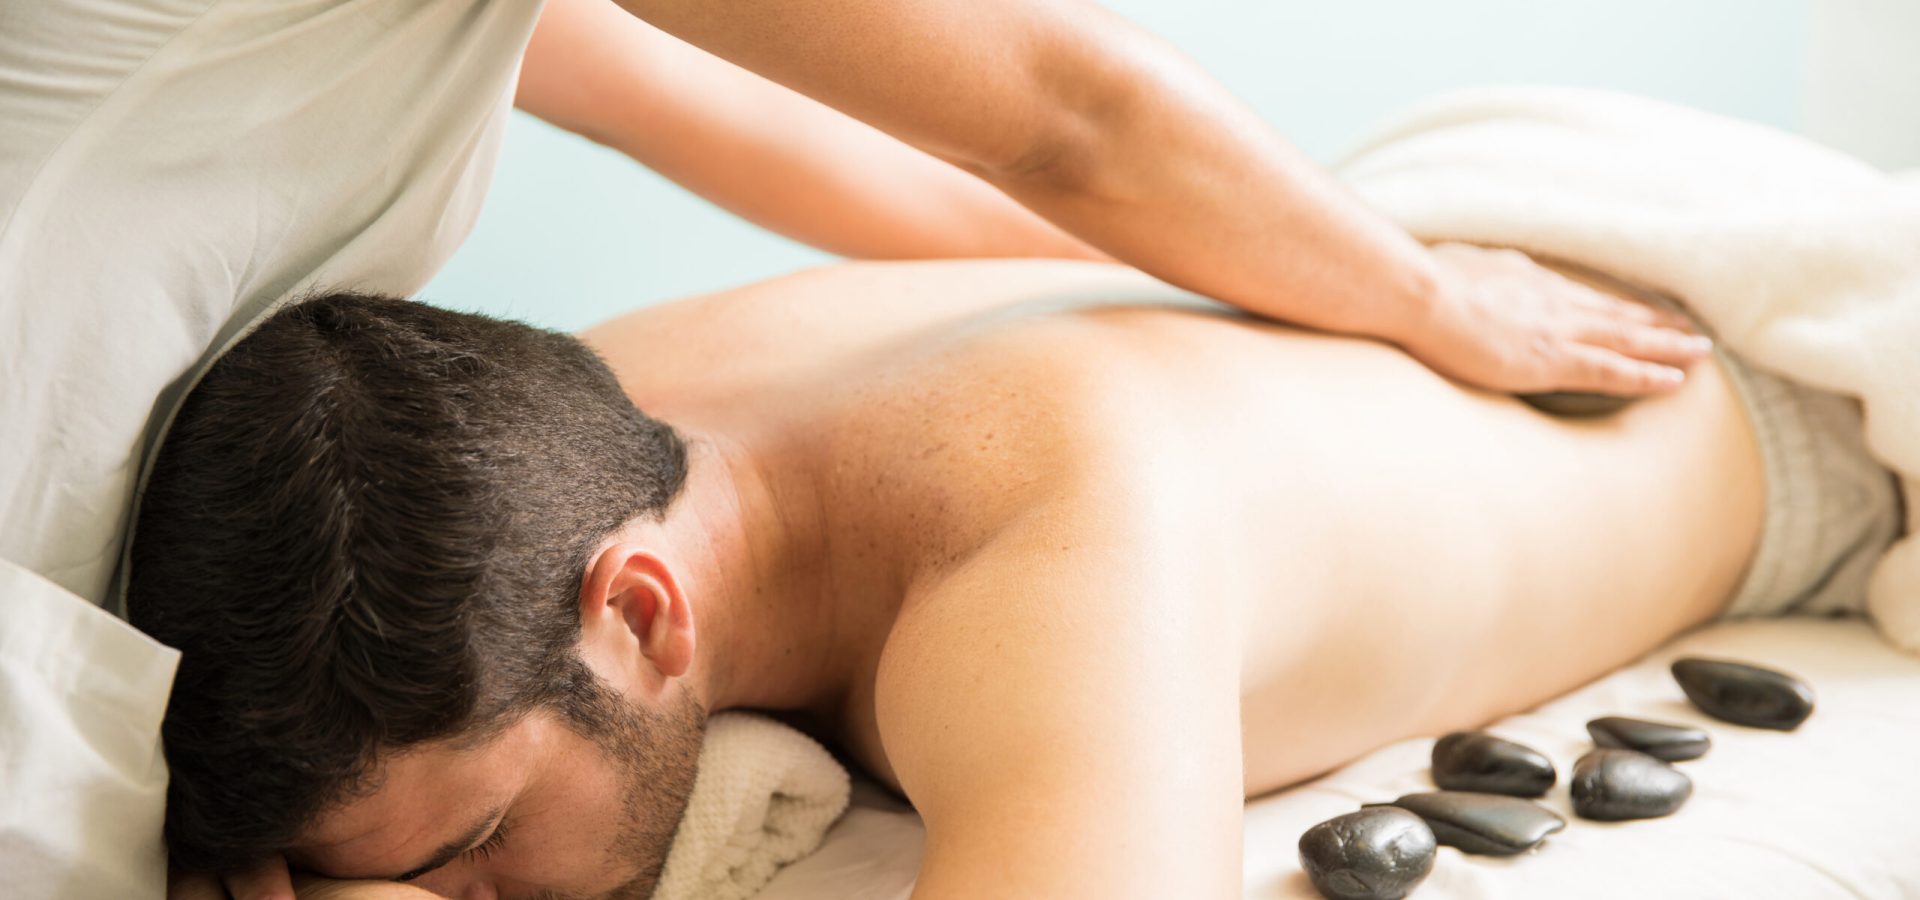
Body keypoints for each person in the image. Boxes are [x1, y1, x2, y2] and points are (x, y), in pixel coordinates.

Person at [129, 255, 1899, 899]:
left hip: (1764, 413)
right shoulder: (538, 438)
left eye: (478, 854)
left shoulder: (1043, 575)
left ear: (646, 611)